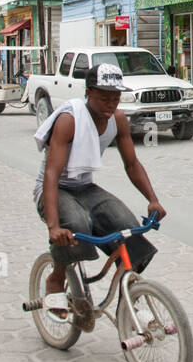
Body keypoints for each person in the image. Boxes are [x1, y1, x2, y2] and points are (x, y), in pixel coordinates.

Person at [34, 63, 166, 322]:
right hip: (54, 189)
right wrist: (53, 226)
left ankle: (129, 299)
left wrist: (153, 199)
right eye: (104, 96)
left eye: (115, 97)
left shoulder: (117, 119)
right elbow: (51, 175)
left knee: (128, 228)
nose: (111, 103)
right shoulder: (69, 120)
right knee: (77, 225)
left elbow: (132, 164)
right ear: (89, 92)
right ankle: (56, 278)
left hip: (85, 187)